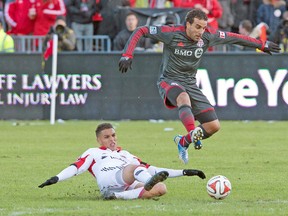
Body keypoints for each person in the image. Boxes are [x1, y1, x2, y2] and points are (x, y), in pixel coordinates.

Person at [118, 9, 280, 164]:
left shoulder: (208, 36)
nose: (201, 31)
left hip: (190, 83)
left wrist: (261, 44)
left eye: (203, 27)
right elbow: (140, 30)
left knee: (213, 126)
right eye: (197, 27)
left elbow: (234, 37)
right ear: (187, 24)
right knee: (183, 97)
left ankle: (183, 141)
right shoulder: (171, 33)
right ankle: (191, 132)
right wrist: (127, 54)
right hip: (169, 80)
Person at [38, 123, 206, 200]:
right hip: (109, 178)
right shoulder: (94, 152)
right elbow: (76, 168)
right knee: (135, 168)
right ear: (99, 140)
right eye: (107, 137)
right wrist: (57, 178)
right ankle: (145, 183)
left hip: (124, 183)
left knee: (161, 188)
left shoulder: (126, 154)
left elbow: (153, 169)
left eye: (113, 135)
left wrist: (184, 172)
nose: (112, 139)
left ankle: (116, 197)